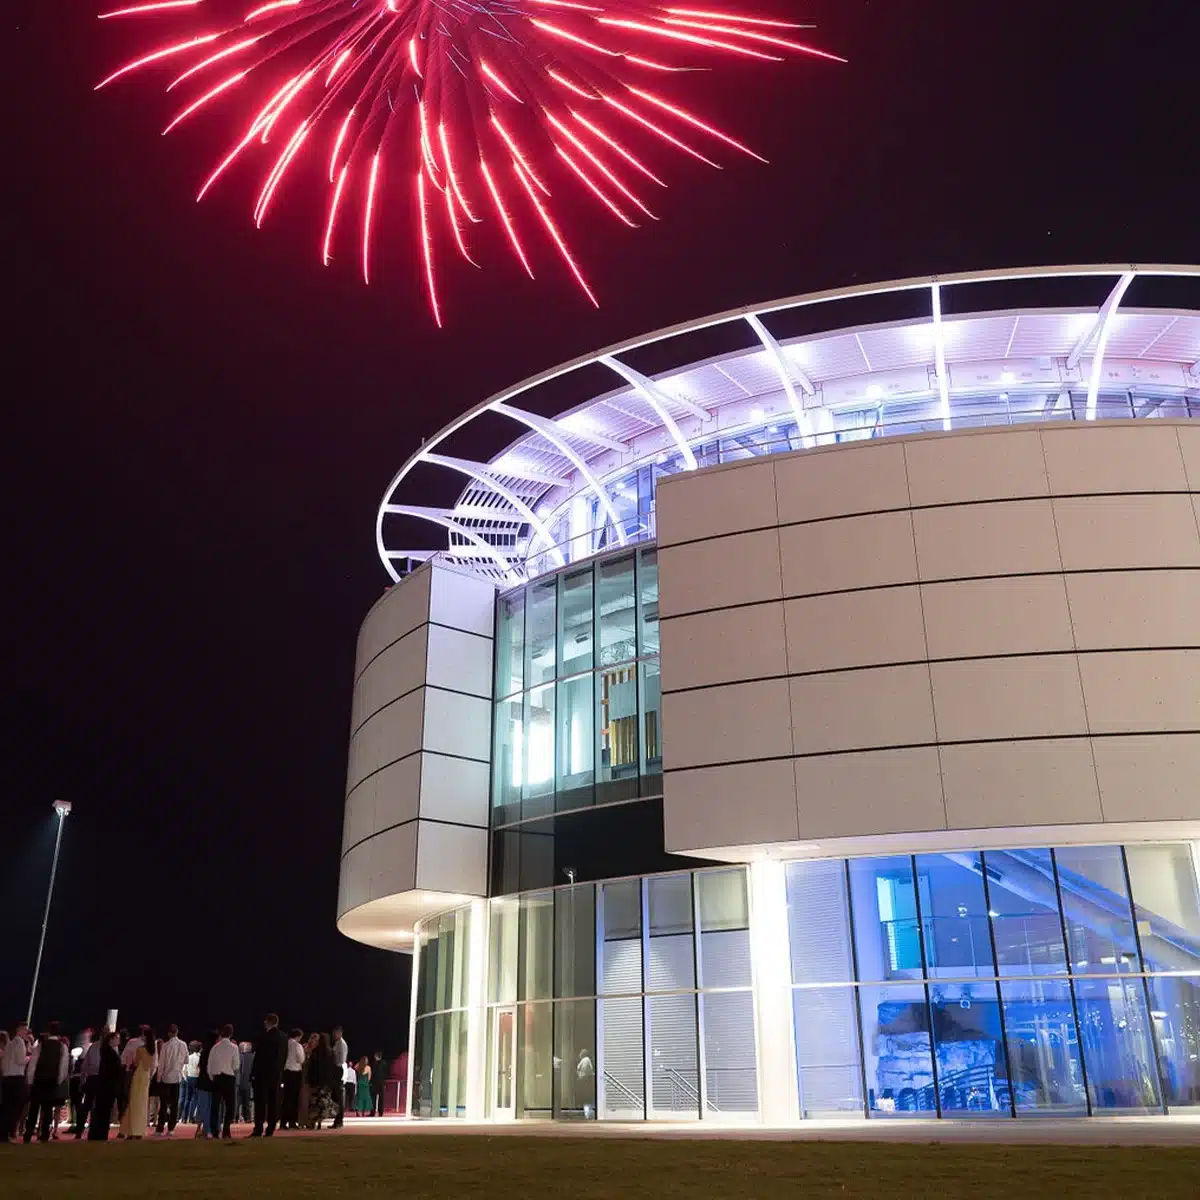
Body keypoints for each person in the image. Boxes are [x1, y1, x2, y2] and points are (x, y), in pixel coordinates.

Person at [23, 1023, 68, 1143]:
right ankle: (44, 1135)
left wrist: (30, 1079)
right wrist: (58, 1080)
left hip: (39, 1080)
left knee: (34, 1109)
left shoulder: (41, 1045)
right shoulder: (62, 1047)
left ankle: (28, 1133)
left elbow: (33, 1063)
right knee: (48, 1109)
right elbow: (63, 1066)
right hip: (52, 1080)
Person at [251, 1013, 288, 1137]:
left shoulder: (263, 1037)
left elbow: (259, 1057)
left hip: (263, 1074)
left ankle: (258, 1128)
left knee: (260, 1103)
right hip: (276, 1074)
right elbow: (284, 1057)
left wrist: (253, 1073)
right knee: (274, 1102)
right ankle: (270, 1128)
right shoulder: (283, 1037)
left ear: (267, 1022)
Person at [118, 1028, 155, 1140]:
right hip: (146, 1077)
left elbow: (135, 1062)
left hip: (138, 1075)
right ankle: (137, 1129)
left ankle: (131, 1129)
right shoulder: (153, 1050)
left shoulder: (140, 1049)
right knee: (142, 1104)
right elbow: (152, 1065)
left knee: (133, 1103)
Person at [88, 1031, 123, 1141]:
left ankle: (97, 1134)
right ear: (111, 1040)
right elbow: (112, 1069)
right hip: (108, 1085)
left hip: (105, 1084)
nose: (119, 1040)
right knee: (104, 1111)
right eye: (117, 1038)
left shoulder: (107, 1051)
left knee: (101, 1110)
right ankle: (100, 1134)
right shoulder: (109, 1053)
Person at [206, 1025, 239, 1140]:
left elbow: (209, 1066)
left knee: (215, 1105)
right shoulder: (234, 1047)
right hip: (229, 1078)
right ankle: (226, 1131)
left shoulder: (215, 1047)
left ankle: (214, 1131)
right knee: (230, 1106)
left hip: (217, 1078)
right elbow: (236, 1065)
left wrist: (212, 1077)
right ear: (231, 1034)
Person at [155, 1024, 188, 1136]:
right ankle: (171, 1129)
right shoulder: (183, 1045)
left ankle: (160, 1129)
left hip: (166, 1078)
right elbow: (186, 1060)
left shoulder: (165, 1046)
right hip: (177, 1077)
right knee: (174, 1105)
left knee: (163, 1105)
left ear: (169, 1033)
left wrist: (158, 1078)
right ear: (177, 1032)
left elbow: (161, 1063)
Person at [2, 1024, 31, 1143]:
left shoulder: (9, 1044)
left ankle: (3, 1134)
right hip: (16, 1079)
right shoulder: (19, 1042)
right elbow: (20, 1060)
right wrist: (29, 1057)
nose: (27, 1032)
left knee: (6, 1108)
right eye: (25, 1030)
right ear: (19, 1030)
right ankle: (10, 1133)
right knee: (15, 1109)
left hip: (7, 1078)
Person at [74, 1029, 102, 1138]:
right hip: (97, 1078)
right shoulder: (97, 1047)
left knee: (88, 1105)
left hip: (92, 1078)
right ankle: (89, 1130)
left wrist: (83, 1078)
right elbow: (86, 1065)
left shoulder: (93, 1047)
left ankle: (80, 1130)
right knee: (92, 1105)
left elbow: (85, 1065)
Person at [281, 1029, 305, 1130]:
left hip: (285, 1073)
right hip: (295, 1073)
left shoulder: (285, 1044)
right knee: (294, 1099)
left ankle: (283, 1122)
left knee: (286, 1098)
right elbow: (301, 1059)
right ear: (298, 1036)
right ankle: (292, 1121)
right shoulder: (297, 1045)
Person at [330, 1026, 348, 1128]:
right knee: (337, 1096)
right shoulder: (338, 1043)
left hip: (338, 1068)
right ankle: (337, 1120)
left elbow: (340, 1060)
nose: (334, 1035)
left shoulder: (341, 1044)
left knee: (339, 1096)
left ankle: (339, 1120)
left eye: (335, 1033)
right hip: (337, 1069)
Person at [180, 1041, 201, 1124]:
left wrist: (186, 1078)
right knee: (194, 1099)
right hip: (196, 1078)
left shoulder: (188, 1057)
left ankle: (184, 1118)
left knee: (187, 1099)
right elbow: (199, 1070)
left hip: (188, 1078)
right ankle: (191, 1117)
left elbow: (183, 1070)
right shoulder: (199, 1058)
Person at [236, 1042, 255, 1125]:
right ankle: (247, 1117)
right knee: (246, 1102)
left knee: (237, 1102)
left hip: (239, 1082)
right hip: (247, 1082)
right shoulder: (252, 1057)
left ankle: (236, 1117)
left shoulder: (239, 1056)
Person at [370, 1051, 386, 1117]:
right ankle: (380, 1112)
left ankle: (373, 1112)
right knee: (381, 1099)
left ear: (376, 1056)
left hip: (375, 1083)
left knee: (373, 1098)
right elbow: (386, 1074)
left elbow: (373, 1074)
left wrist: (371, 1082)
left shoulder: (375, 1064)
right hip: (381, 1083)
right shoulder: (384, 1063)